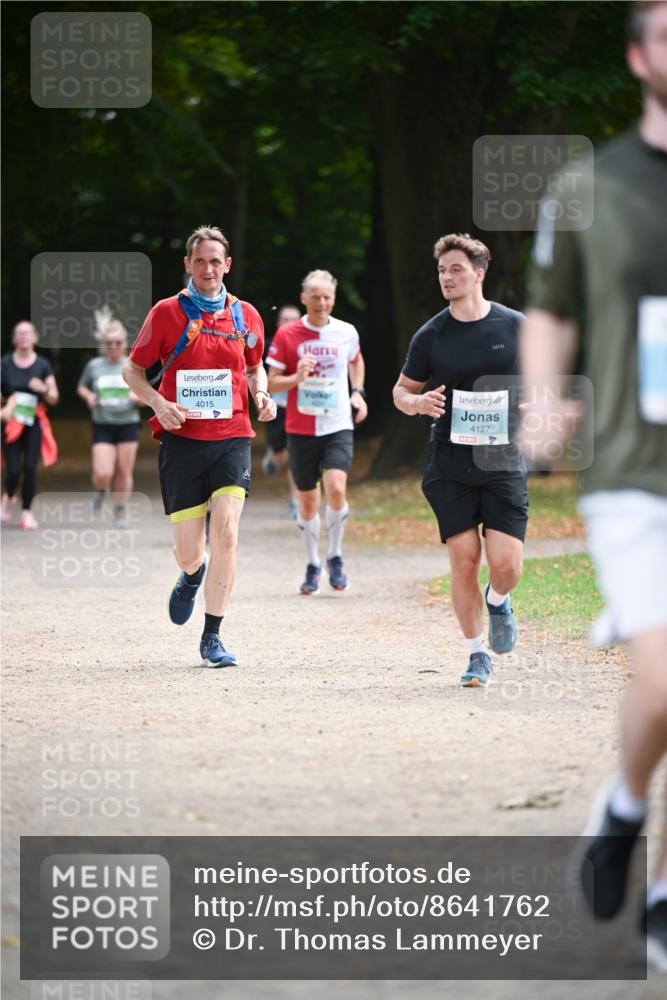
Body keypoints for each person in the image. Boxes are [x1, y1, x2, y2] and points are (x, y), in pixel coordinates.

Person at [520, 0, 667, 969]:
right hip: (632, 472)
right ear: (635, 56)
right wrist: (540, 401)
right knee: (663, 680)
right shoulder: (587, 186)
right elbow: (546, 309)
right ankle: (624, 805)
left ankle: (655, 887)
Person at [123, 225, 276, 667]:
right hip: (182, 442)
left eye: (216, 261)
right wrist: (158, 402)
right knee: (192, 551)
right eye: (200, 261)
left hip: (232, 438)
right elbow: (133, 371)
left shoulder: (246, 315)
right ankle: (191, 575)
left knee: (226, 532)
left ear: (228, 265)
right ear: (187, 265)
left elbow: (254, 367)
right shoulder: (167, 313)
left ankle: (212, 637)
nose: (208, 269)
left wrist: (261, 394)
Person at [393, 234, 527, 687]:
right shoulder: (431, 335)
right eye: (441, 271)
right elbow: (400, 391)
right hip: (450, 463)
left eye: (455, 269)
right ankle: (476, 655)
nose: (446, 278)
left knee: (507, 565)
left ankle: (498, 599)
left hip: (503, 460)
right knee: (465, 558)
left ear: (478, 274)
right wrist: (416, 404)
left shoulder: (515, 326)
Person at [266, 269, 367, 593]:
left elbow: (356, 360)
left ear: (333, 299)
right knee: (308, 503)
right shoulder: (288, 335)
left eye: (327, 297)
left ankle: (335, 556)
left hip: (337, 424)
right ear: (304, 299)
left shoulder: (346, 332)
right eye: (316, 297)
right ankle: (313, 563)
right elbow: (270, 380)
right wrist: (296, 377)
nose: (322, 303)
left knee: (336, 488)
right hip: (301, 427)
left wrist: (358, 391)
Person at [77, 308, 142, 528]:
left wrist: (138, 397)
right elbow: (81, 387)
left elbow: (148, 395)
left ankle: (120, 509)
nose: (114, 347)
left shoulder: (133, 366)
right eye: (110, 343)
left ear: (125, 342)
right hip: (103, 423)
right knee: (103, 471)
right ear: (104, 344)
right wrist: (89, 397)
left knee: (124, 469)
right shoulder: (94, 366)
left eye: (118, 342)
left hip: (128, 423)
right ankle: (99, 490)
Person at [1, 321, 59, 530]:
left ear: (35, 337)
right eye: (19, 333)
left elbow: (54, 397)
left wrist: (43, 388)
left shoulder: (42, 365)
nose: (23, 336)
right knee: (13, 470)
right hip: (10, 422)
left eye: (27, 333)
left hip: (34, 421)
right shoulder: (5, 363)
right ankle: (8, 497)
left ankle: (26, 513)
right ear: (14, 339)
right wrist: (5, 404)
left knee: (30, 468)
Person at [261, 303, 301, 519]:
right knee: (282, 450)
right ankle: (274, 458)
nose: (288, 324)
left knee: (296, 452)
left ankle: (295, 501)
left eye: (293, 319)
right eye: (284, 319)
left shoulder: (308, 346)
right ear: (278, 323)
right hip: (277, 407)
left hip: (302, 407)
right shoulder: (268, 347)